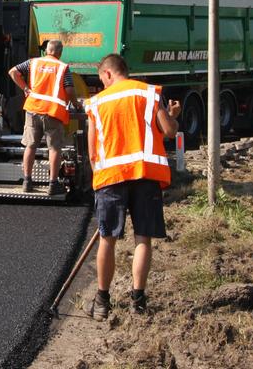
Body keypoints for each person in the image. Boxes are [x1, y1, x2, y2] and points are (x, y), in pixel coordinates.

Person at [83, 53, 180, 320]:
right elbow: (169, 131)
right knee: (142, 238)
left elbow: (92, 149)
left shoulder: (97, 103)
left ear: (108, 74)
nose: (102, 84)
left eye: (101, 78)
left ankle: (102, 301)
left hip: (111, 178)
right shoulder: (148, 94)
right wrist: (172, 115)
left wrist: (98, 180)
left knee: (107, 239)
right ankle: (138, 301)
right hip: (146, 174)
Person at [8, 39, 77, 195]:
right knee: (54, 148)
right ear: (60, 52)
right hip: (52, 112)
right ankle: (53, 184)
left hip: (33, 110)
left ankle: (27, 182)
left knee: (30, 146)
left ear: (47, 50)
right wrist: (76, 104)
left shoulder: (33, 62)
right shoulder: (62, 67)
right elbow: (70, 90)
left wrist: (25, 88)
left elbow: (13, 71)